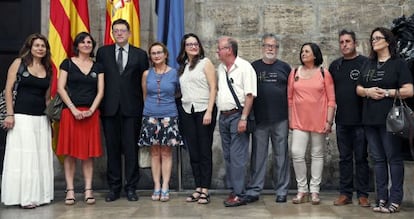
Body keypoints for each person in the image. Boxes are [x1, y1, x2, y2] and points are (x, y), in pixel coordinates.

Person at [356, 27, 413, 213]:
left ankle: (395, 199)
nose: (374, 41)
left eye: (378, 38)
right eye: (372, 39)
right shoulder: (369, 64)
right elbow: (358, 88)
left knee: (393, 158)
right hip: (370, 118)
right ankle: (381, 198)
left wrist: (388, 92)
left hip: (391, 120)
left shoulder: (398, 64)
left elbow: (409, 90)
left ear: (388, 41)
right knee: (378, 160)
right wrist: (367, 91)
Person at [96, 18, 149, 202]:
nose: (119, 33)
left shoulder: (140, 55)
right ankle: (114, 188)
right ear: (112, 33)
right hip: (109, 109)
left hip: (132, 109)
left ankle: (131, 187)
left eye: (122, 30)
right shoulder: (102, 53)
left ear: (129, 33)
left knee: (131, 149)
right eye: (116, 30)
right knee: (112, 149)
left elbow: (144, 82)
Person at [1, 33, 53, 209]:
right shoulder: (19, 63)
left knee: (39, 157)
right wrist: (10, 114)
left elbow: (46, 97)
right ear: (30, 47)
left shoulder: (49, 68)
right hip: (21, 117)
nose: (40, 48)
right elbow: (8, 89)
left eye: (43, 46)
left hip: (41, 119)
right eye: (37, 45)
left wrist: (52, 114)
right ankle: (25, 197)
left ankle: (40, 195)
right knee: (25, 158)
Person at [56, 32, 104, 205]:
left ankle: (88, 190)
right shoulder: (67, 63)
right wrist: (73, 109)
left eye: (89, 42)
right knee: (69, 154)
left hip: (90, 114)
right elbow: (60, 88)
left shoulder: (98, 66)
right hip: (71, 114)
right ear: (77, 45)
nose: (86, 44)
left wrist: (92, 109)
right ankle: (70, 190)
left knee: (88, 154)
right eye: (82, 42)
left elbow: (100, 91)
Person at [244, 33, 291, 204]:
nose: (271, 48)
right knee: (258, 156)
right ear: (262, 47)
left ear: (277, 49)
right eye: (267, 45)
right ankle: (254, 189)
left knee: (281, 156)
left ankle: (281, 190)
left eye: (274, 46)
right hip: (260, 120)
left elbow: (292, 94)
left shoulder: (285, 68)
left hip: (281, 119)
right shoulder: (253, 67)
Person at [288, 42, 336, 205]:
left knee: (317, 155)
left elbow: (331, 99)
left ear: (315, 55)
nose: (303, 54)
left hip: (319, 120)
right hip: (299, 121)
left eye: (307, 51)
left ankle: (314, 191)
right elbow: (290, 98)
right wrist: (291, 119)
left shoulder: (324, 73)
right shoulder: (294, 72)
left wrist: (329, 121)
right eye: (302, 51)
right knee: (296, 153)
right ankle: (302, 189)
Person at [329, 29, 370, 207]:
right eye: (341, 42)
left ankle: (363, 194)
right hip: (342, 121)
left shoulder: (366, 63)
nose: (344, 45)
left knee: (361, 158)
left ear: (355, 43)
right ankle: (345, 194)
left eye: (347, 41)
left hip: (362, 121)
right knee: (344, 158)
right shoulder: (335, 66)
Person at [216, 36, 257, 207]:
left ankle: (240, 194)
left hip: (237, 116)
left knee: (237, 156)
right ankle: (234, 189)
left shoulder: (245, 67)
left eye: (220, 48)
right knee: (228, 156)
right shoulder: (220, 68)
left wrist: (243, 118)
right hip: (223, 116)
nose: (217, 51)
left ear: (229, 50)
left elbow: (249, 95)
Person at [176, 33, 217, 204]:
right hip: (187, 111)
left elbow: (214, 87)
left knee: (204, 151)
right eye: (189, 44)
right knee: (193, 151)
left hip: (203, 111)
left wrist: (209, 111)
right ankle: (198, 187)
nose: (193, 46)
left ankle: (205, 189)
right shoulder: (184, 66)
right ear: (184, 48)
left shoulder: (205, 63)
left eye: (195, 44)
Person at [138, 42, 182, 202]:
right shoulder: (146, 74)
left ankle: (165, 186)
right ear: (150, 56)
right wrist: (150, 111)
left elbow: (178, 92)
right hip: (150, 116)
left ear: (165, 54)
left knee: (166, 152)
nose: (156, 56)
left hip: (169, 116)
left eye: (159, 52)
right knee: (154, 153)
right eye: (153, 53)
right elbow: (145, 94)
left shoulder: (174, 73)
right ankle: (156, 185)